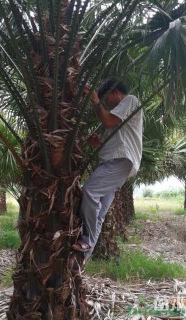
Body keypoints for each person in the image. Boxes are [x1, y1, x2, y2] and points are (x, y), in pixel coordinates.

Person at [72, 77, 143, 259]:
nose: (108, 105)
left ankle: (86, 239)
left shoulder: (130, 100)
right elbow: (112, 139)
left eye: (107, 100)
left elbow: (108, 121)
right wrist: (97, 143)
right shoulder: (118, 116)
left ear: (116, 92)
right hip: (114, 163)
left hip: (120, 162)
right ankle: (83, 259)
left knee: (89, 192)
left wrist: (96, 102)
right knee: (100, 212)